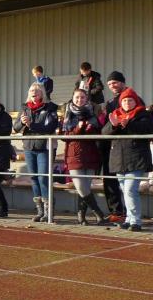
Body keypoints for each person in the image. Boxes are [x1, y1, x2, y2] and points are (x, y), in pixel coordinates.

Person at [102, 87, 152, 232]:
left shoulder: (143, 114)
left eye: (130, 100)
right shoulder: (116, 114)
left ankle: (136, 222)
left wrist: (128, 123)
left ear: (135, 101)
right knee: (125, 190)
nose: (127, 103)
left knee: (130, 190)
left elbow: (147, 129)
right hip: (119, 158)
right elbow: (104, 132)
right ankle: (129, 219)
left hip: (137, 158)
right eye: (124, 100)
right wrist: (113, 125)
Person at [13, 82, 59, 222]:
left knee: (43, 178)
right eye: (32, 90)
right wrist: (22, 122)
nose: (34, 92)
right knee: (34, 178)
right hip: (29, 147)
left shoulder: (50, 107)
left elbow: (50, 127)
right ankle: (40, 211)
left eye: (37, 90)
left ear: (42, 93)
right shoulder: (24, 108)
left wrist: (31, 124)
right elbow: (16, 128)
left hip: (44, 148)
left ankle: (48, 211)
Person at [62, 88, 107, 225]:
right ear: (72, 98)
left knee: (85, 188)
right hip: (74, 155)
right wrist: (79, 128)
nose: (79, 100)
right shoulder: (67, 114)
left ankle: (81, 216)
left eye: (82, 97)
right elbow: (64, 136)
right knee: (81, 188)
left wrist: (90, 129)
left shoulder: (93, 113)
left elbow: (99, 133)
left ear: (87, 99)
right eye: (77, 97)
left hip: (91, 154)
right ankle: (99, 213)